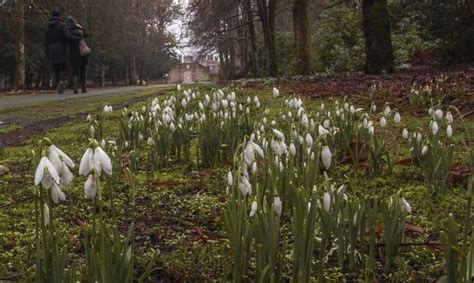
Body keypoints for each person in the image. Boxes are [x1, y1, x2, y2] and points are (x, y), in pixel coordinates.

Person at [45, 10, 82, 94]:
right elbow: (68, 36)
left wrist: (47, 52)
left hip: (51, 49)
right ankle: (62, 80)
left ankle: (58, 82)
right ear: (59, 16)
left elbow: (46, 41)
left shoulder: (48, 28)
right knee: (64, 67)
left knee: (56, 69)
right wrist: (78, 38)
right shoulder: (62, 26)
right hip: (61, 49)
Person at [66, 16, 89, 94]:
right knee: (83, 70)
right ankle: (83, 88)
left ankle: (75, 88)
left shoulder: (67, 32)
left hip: (72, 54)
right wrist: (82, 28)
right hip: (82, 53)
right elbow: (86, 35)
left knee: (75, 72)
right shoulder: (80, 31)